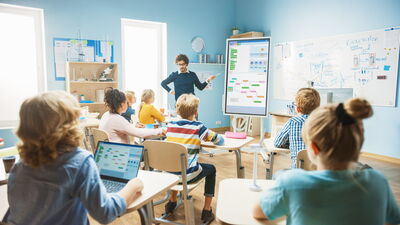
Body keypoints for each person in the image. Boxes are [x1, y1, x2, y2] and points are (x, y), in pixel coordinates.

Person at [253, 98, 400, 225]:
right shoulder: (378, 181)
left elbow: (258, 212)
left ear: (314, 148)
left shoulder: (292, 182)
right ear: (358, 143)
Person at [6, 91, 144, 225]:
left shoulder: (20, 166)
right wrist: (133, 185)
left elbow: (15, 214)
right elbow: (105, 213)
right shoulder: (80, 161)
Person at [164, 94, 224, 223]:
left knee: (175, 164)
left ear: (177, 110)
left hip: (169, 175)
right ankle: (207, 210)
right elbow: (218, 140)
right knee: (211, 169)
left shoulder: (169, 125)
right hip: (187, 175)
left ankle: (172, 201)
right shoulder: (198, 127)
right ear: (196, 112)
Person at [274, 88, 320, 168]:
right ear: (318, 108)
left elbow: (278, 143)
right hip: (318, 171)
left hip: (298, 170)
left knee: (278, 175)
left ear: (298, 109)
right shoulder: (321, 122)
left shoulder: (293, 122)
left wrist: (292, 143)